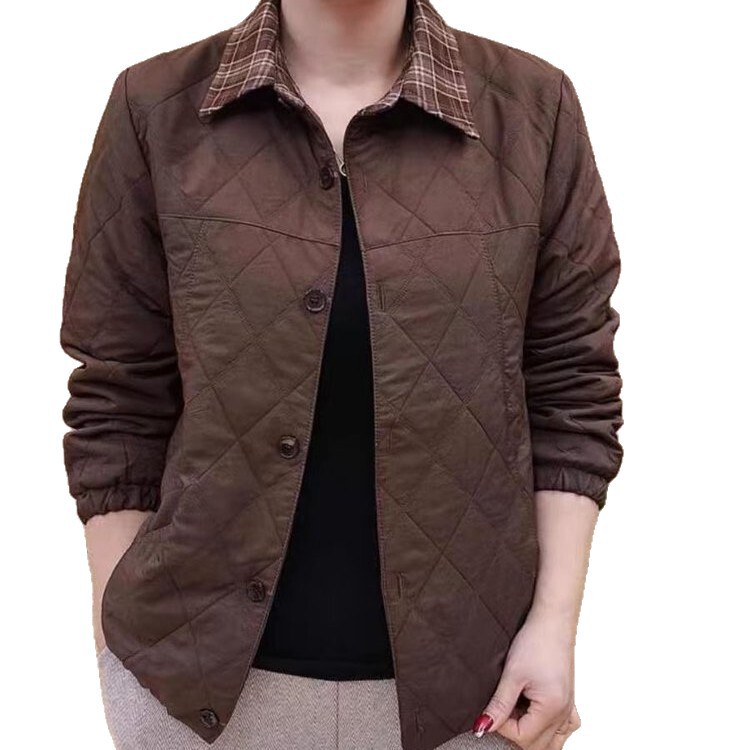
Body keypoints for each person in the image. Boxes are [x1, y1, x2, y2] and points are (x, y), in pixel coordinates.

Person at [59, 0, 624, 749]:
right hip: (192, 696)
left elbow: (571, 388)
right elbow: (119, 392)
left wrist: (553, 628)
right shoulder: (155, 107)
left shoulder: (532, 109)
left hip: (476, 694)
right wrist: (120, 648)